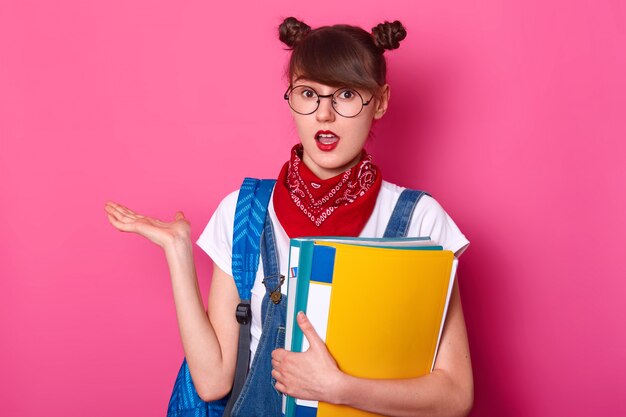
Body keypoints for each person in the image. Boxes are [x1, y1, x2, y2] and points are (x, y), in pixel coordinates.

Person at [104, 16, 473, 417]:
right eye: (308, 93)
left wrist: (339, 387)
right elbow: (212, 383)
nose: (324, 114)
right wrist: (177, 250)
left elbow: (454, 396)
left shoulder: (420, 220)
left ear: (380, 101)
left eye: (346, 95)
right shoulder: (243, 213)